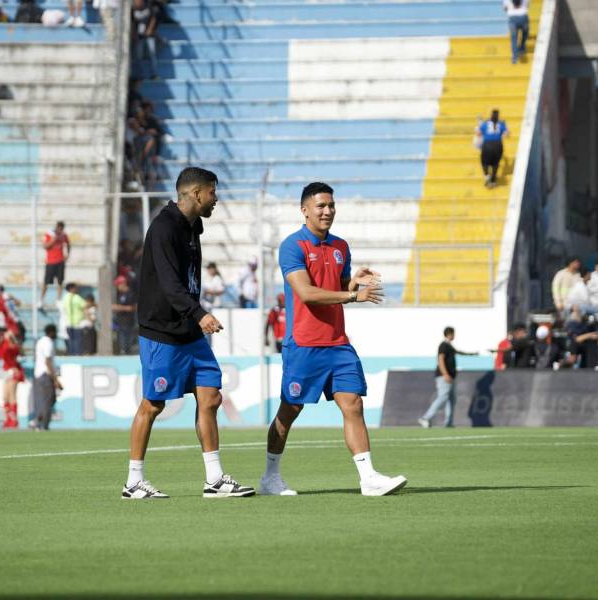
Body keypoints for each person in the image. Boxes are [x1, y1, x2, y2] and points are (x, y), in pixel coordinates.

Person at [258, 182, 404, 497]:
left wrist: (351, 281)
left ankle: (369, 478)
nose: (327, 211)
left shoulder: (341, 247)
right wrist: (353, 294)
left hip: (338, 343)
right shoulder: (292, 246)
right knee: (289, 411)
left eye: (331, 206)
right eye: (321, 206)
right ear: (305, 210)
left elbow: (335, 285)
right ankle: (270, 477)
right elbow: (308, 294)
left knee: (352, 404)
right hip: (305, 344)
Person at [124, 167, 254, 500]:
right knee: (153, 405)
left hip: (189, 331)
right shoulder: (164, 228)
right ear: (196, 194)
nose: (216, 198)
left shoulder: (193, 225)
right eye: (213, 191)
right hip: (162, 331)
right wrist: (199, 314)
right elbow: (169, 284)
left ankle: (215, 479)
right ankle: (133, 481)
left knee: (211, 396)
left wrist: (194, 316)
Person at [418, 326, 477, 428]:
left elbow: (458, 352)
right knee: (443, 397)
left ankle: (448, 422)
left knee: (452, 399)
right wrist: (445, 374)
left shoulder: (449, 346)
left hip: (451, 376)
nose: (454, 336)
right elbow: (440, 359)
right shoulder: (443, 345)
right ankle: (425, 418)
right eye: (453, 333)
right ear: (449, 334)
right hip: (444, 376)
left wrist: (471, 354)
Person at [0, 327, 23, 429]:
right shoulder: (4, 344)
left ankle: (14, 420)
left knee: (12, 395)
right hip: (6, 371)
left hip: (13, 371)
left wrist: (11, 338)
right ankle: (8, 419)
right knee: (5, 396)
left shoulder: (12, 345)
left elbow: (15, 351)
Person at [33, 324, 62, 430]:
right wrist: (55, 379)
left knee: (44, 399)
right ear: (52, 332)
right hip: (45, 375)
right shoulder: (48, 343)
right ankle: (42, 424)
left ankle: (38, 420)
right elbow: (48, 361)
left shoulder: (40, 341)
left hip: (38, 374)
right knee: (48, 400)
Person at [41, 221, 70, 304]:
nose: (60, 230)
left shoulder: (64, 235)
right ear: (56, 227)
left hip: (60, 261)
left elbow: (68, 244)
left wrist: (67, 254)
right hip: (50, 261)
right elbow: (45, 246)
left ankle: (58, 300)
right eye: (58, 228)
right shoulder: (49, 234)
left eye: (61, 228)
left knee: (60, 281)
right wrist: (53, 239)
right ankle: (41, 299)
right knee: (46, 281)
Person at [477, 109, 508, 188]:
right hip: (498, 145)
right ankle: (493, 179)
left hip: (487, 144)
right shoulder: (502, 123)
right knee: (496, 162)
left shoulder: (485, 123)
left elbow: (479, 133)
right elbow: (506, 134)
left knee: (484, 161)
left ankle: (487, 175)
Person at [132, 0, 158, 79]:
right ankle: (141, 74)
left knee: (152, 54)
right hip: (139, 36)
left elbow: (154, 18)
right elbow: (132, 23)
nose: (138, 2)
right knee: (138, 56)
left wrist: (150, 29)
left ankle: (154, 74)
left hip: (149, 35)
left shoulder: (148, 6)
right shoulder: (133, 10)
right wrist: (134, 34)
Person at [112, 275, 137, 355]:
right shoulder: (120, 295)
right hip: (120, 321)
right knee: (121, 339)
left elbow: (133, 308)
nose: (117, 287)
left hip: (128, 321)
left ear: (123, 284)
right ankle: (123, 351)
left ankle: (127, 352)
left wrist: (119, 308)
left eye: (118, 285)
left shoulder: (131, 294)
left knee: (127, 339)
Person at [62, 281, 86, 355]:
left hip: (68, 322)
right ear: (72, 288)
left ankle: (71, 354)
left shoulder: (65, 297)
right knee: (77, 340)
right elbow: (85, 305)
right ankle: (77, 354)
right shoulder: (76, 297)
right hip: (77, 323)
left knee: (71, 340)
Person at [503, 0, 529, 64]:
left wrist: (511, 10)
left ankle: (514, 57)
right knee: (525, 32)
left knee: (514, 38)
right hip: (523, 16)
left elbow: (505, 8)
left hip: (512, 18)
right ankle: (522, 47)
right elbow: (527, 6)